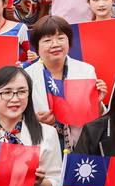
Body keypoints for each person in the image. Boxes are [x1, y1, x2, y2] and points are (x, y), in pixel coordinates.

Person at [23, 15, 104, 145]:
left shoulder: (86, 71)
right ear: (36, 46)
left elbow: (96, 118)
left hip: (80, 143)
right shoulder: (26, 76)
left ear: (69, 41)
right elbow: (18, 115)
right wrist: (35, 119)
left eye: (61, 38)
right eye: (47, 40)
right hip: (42, 144)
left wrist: (98, 102)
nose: (55, 44)